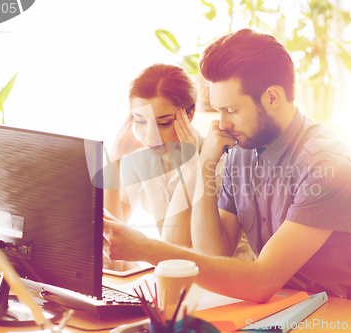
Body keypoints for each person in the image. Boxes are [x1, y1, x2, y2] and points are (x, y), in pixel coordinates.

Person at [103, 29, 351, 309]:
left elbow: (261, 281)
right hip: (284, 307)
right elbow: (214, 256)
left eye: (231, 110)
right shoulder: (240, 153)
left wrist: (148, 249)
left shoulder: (328, 164)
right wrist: (205, 162)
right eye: (218, 110)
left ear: (272, 98)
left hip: (350, 314)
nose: (222, 124)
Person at [103, 63, 255, 262]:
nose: (150, 136)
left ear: (189, 115)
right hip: (180, 277)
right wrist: (114, 160)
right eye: (140, 121)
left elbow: (175, 244)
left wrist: (191, 168)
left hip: (228, 279)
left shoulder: (220, 163)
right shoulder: (145, 160)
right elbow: (113, 228)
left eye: (163, 123)